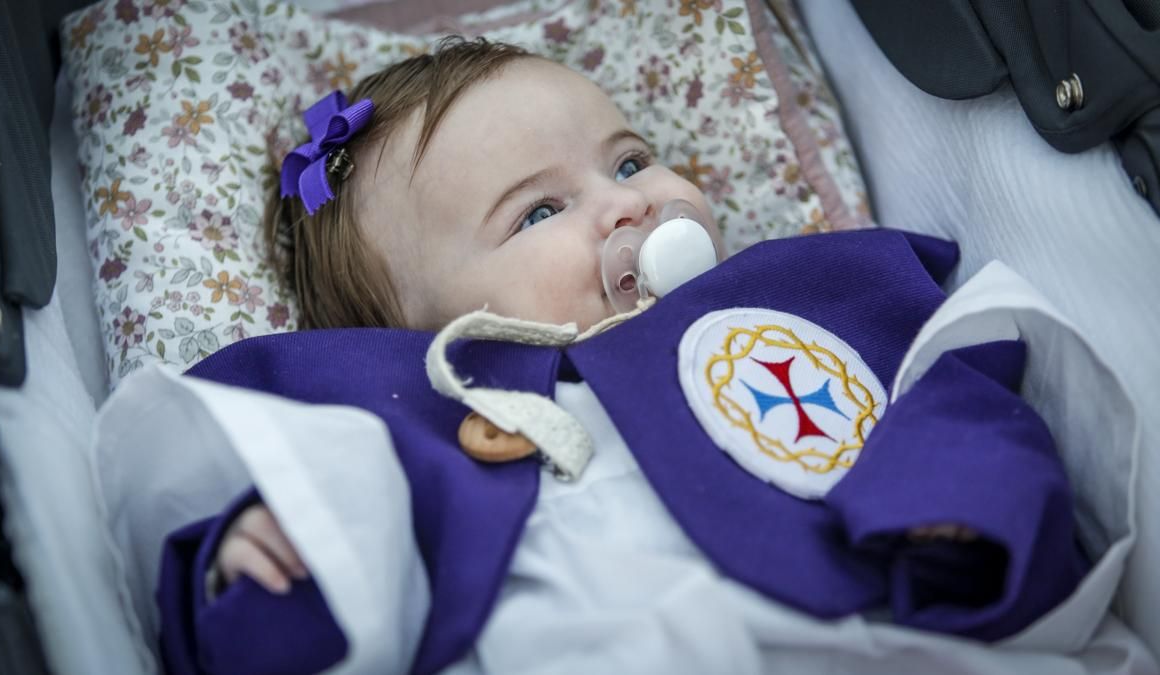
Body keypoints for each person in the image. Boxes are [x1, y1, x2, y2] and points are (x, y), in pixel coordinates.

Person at [157, 37, 1085, 675]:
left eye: (631, 161)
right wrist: (273, 569)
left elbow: (960, 388)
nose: (628, 204)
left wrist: (953, 510)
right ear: (410, 332)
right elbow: (320, 621)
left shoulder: (808, 291)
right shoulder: (395, 415)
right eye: (539, 212)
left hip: (845, 631)